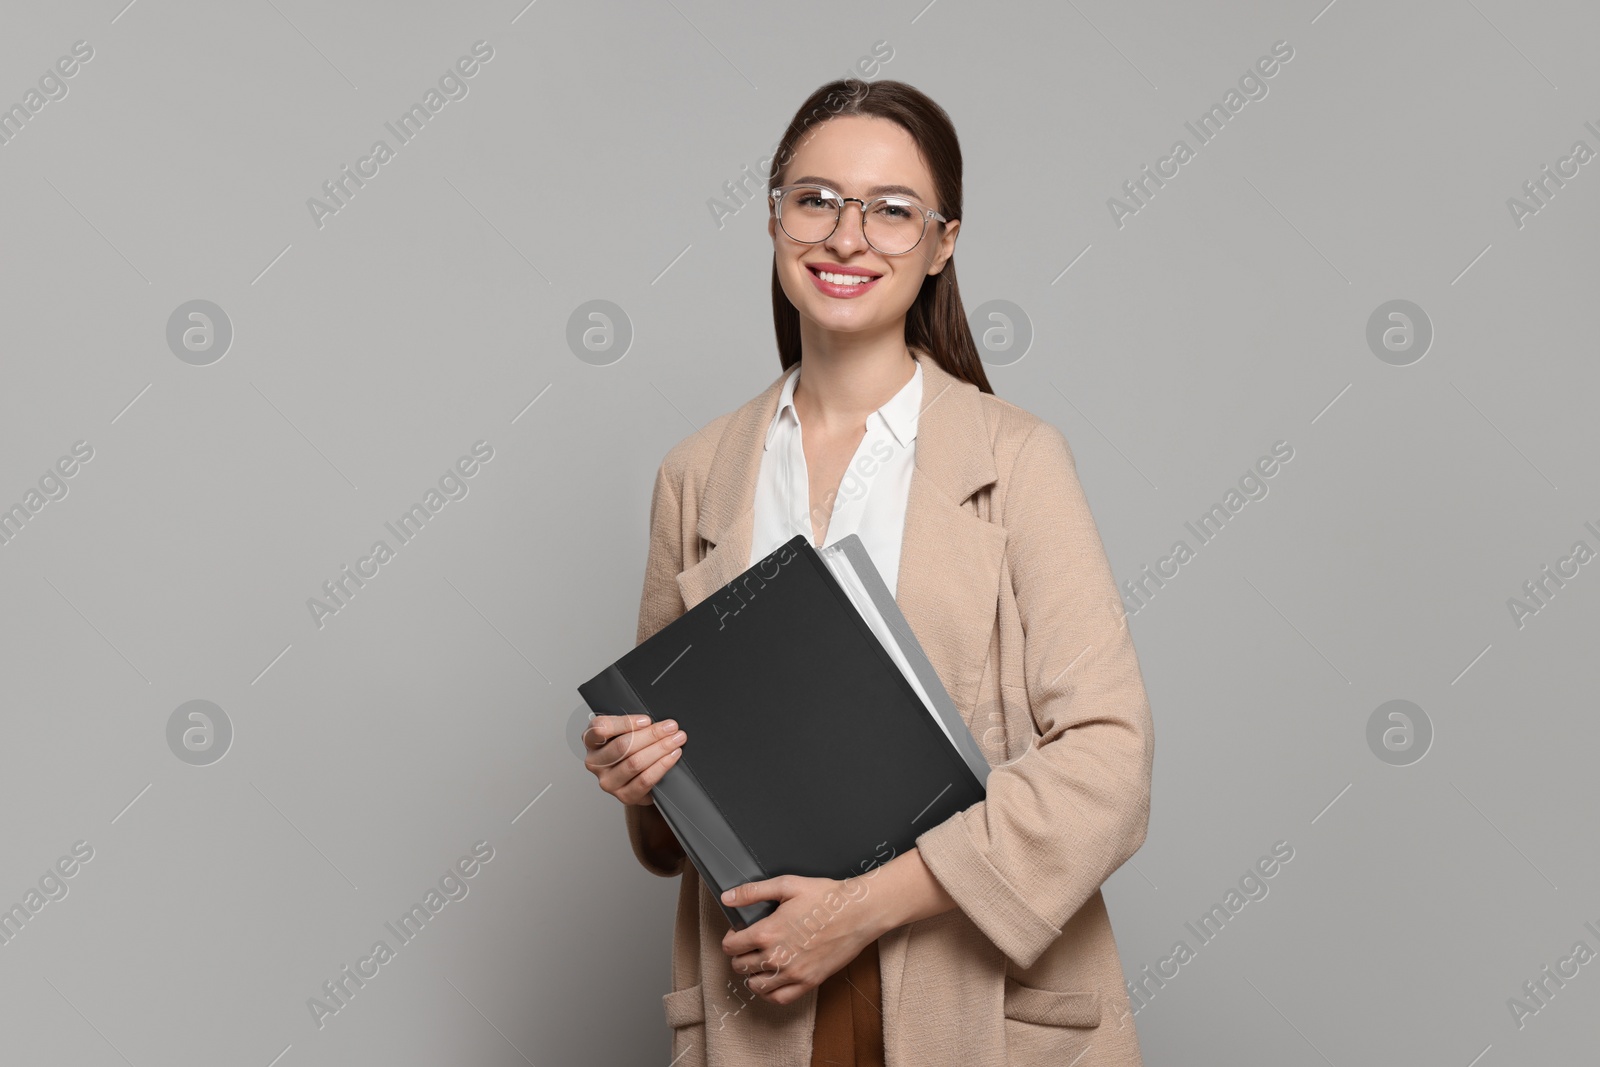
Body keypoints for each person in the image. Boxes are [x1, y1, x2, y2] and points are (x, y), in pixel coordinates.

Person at [584, 78, 1154, 1067]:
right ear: (772, 220)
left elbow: (1108, 763)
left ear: (942, 243)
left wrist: (855, 910)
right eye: (815, 199)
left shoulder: (1017, 459)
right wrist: (640, 780)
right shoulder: (694, 475)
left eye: (892, 210)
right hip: (757, 1002)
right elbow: (677, 829)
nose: (847, 236)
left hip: (970, 996)